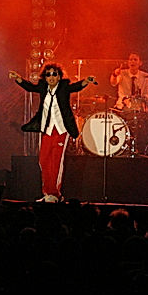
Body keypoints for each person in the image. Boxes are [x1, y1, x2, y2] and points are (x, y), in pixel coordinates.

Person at [9, 63, 98, 203]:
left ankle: (55, 194)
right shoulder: (43, 87)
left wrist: (86, 81)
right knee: (43, 160)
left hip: (61, 129)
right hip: (47, 128)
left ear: (59, 77)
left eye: (54, 74)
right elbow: (30, 87)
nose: (51, 77)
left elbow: (75, 87)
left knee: (56, 161)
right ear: (45, 77)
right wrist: (18, 78)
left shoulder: (63, 87)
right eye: (48, 74)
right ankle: (47, 192)